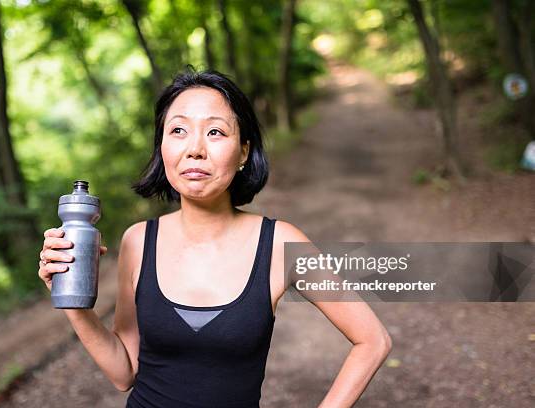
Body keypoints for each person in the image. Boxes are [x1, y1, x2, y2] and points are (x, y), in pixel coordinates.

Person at [38, 68, 392, 408]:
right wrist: (72, 303)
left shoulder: (280, 243)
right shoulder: (138, 241)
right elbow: (124, 372)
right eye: (178, 131)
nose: (195, 149)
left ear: (242, 152)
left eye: (215, 132)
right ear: (162, 147)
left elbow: (372, 340)